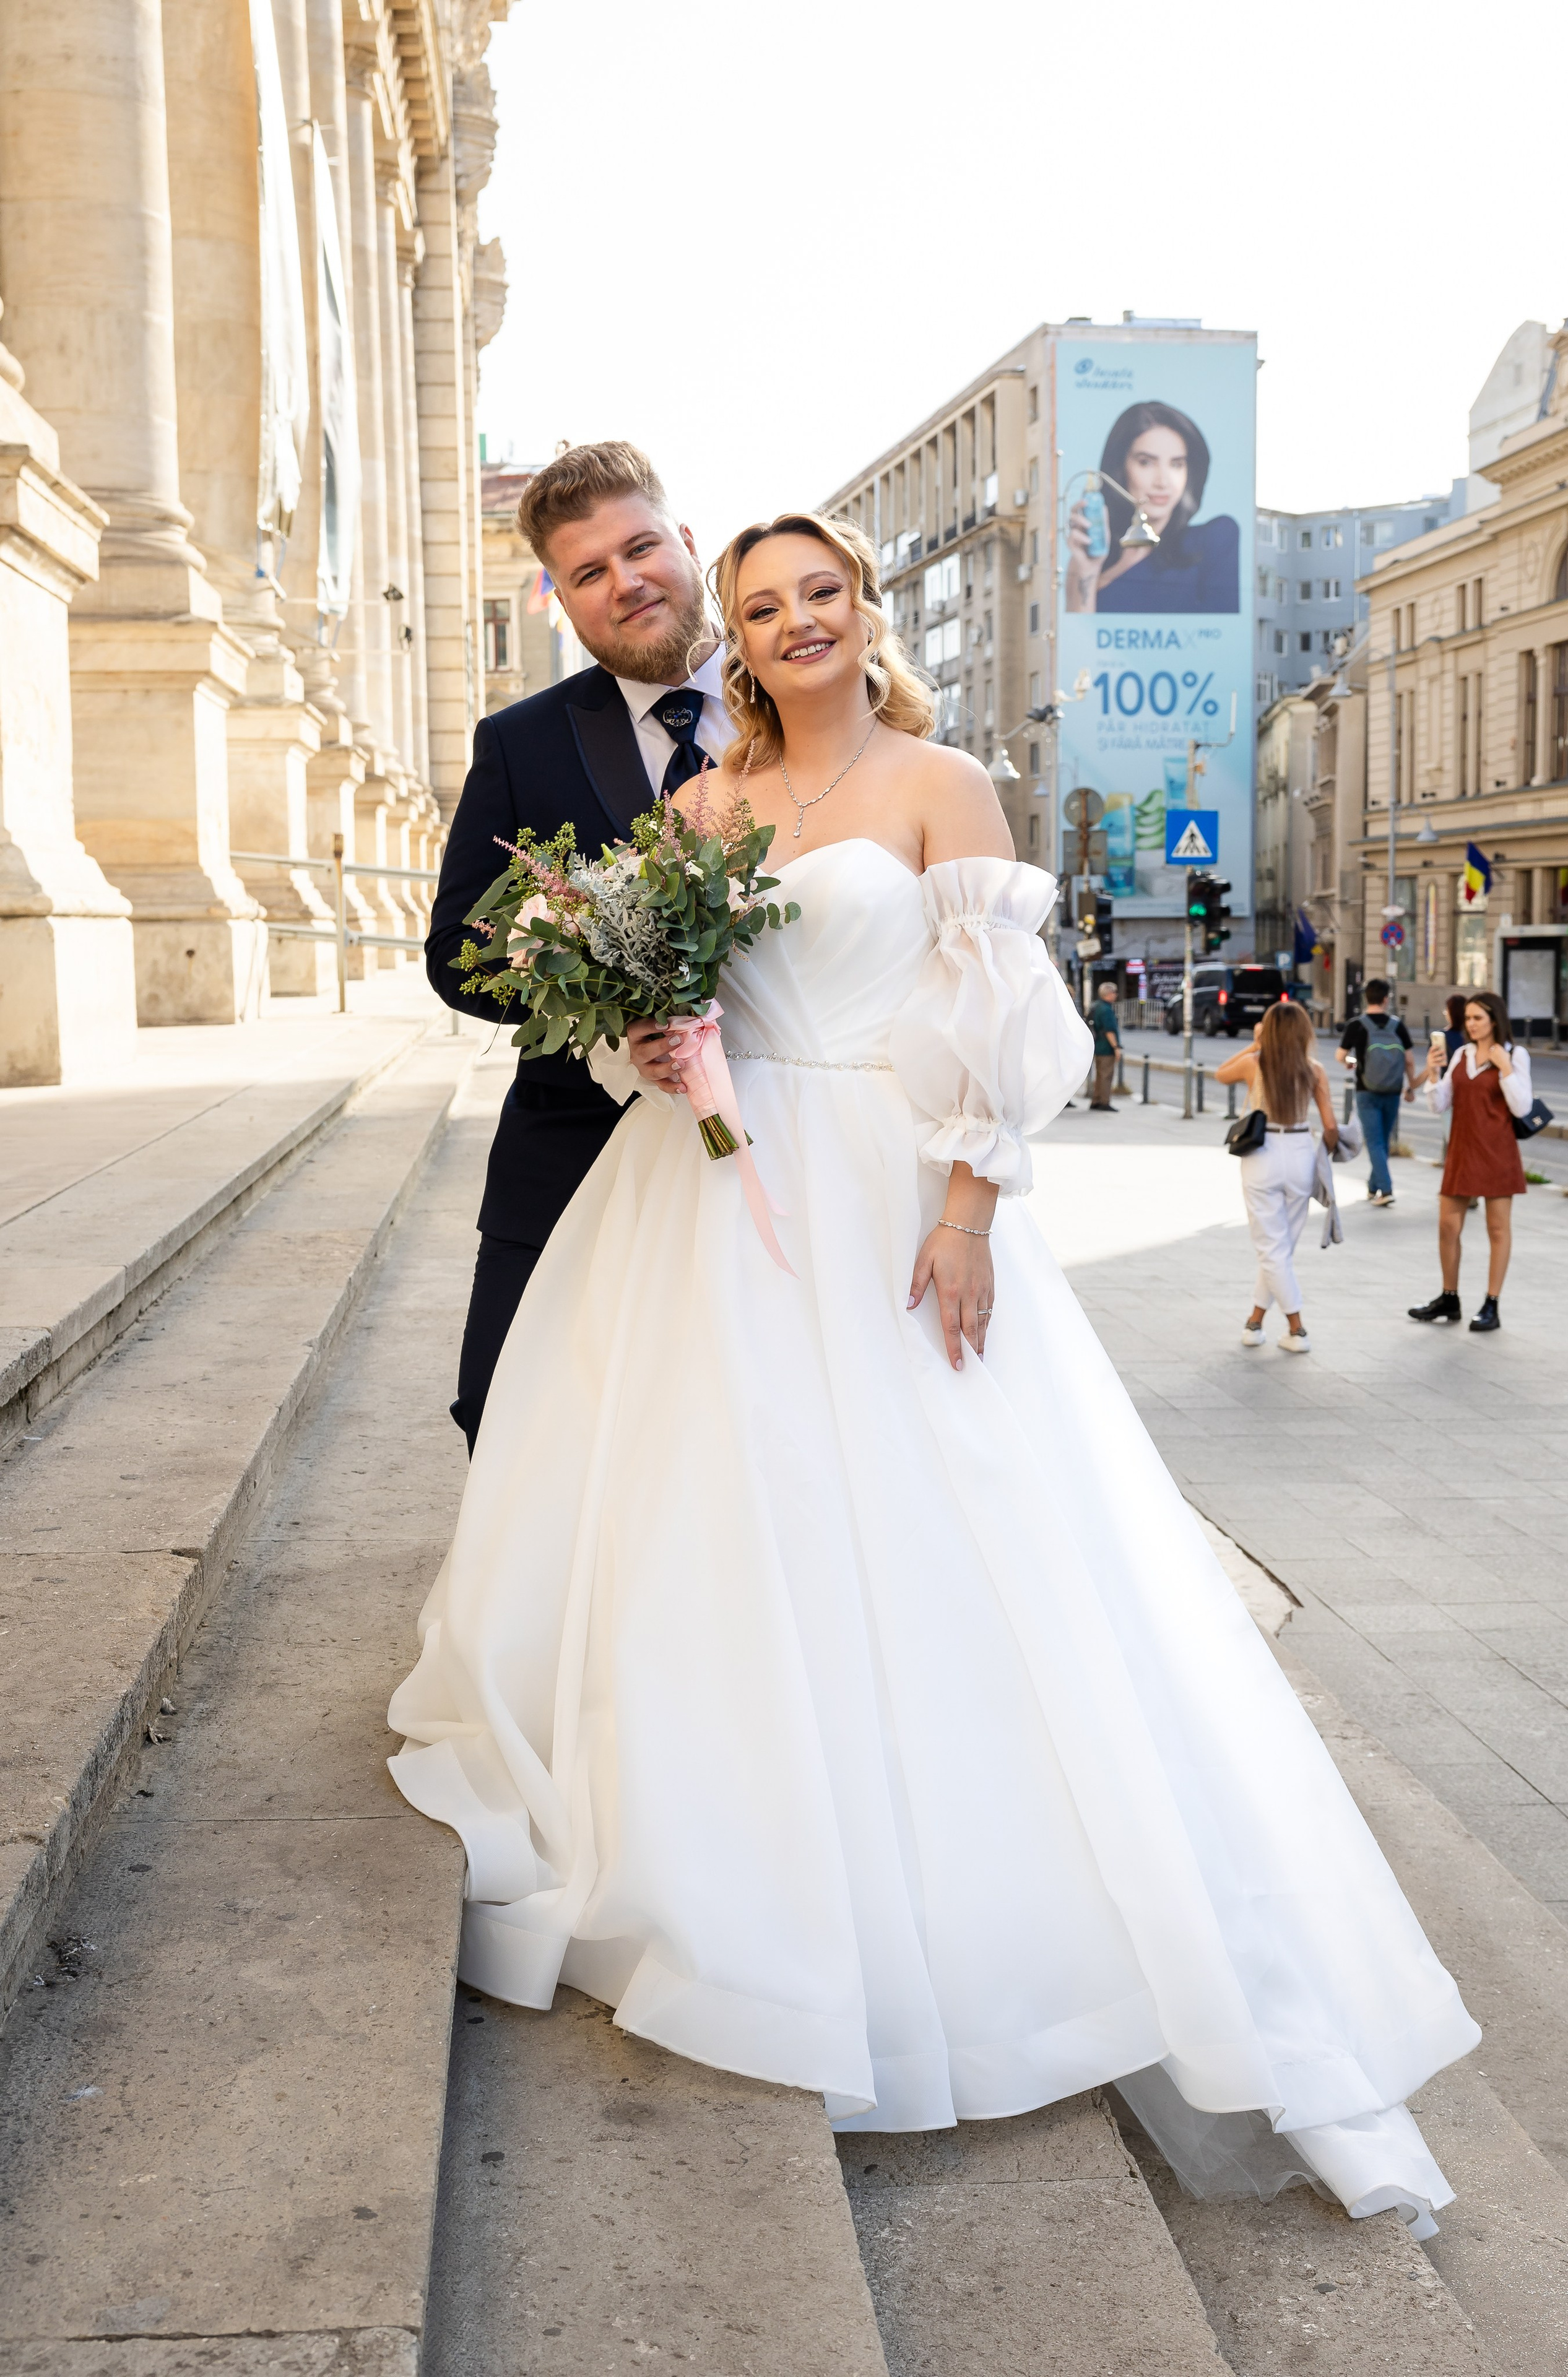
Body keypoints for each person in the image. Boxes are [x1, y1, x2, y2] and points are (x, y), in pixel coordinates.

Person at [389, 509, 1476, 2239]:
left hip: (899, 1192)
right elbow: (647, 1011)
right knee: (725, 1516)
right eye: (764, 606)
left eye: (822, 593)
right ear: (732, 640)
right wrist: (655, 1042)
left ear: (865, 610)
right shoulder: (698, 811)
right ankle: (741, 1838)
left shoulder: (943, 783)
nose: (797, 621)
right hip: (713, 1203)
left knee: (941, 1513)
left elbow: (1003, 1026)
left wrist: (968, 1215)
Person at [425, 443, 733, 1452]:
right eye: (588, 573)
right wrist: (603, 1002)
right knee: (511, 1418)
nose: (625, 582)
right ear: (559, 600)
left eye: (640, 548)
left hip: (778, 1150)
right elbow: (457, 948)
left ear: (686, 545)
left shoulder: (810, 711)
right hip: (568, 1149)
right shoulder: (518, 744)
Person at [1216, 1004, 1340, 1353]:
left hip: (1262, 1153)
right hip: (1300, 1150)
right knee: (1280, 1249)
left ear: (1267, 1031)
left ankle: (1297, 1329)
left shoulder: (1254, 1063)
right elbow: (1331, 1126)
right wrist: (1327, 1153)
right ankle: (1254, 1322)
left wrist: (1255, 1045)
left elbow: (1220, 1074)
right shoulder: (1314, 1070)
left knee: (1273, 1249)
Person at [1410, 988, 1532, 1333]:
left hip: (1497, 1152)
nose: (1472, 1024)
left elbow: (1522, 1107)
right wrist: (1434, 1073)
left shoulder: (1515, 1055)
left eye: (1479, 1018)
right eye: (1469, 1019)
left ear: (1495, 1020)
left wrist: (1505, 1067)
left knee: (1497, 1230)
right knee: (1448, 1226)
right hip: (1462, 1150)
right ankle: (1450, 1298)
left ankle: (1492, 1304)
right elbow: (1438, 1105)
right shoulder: (1462, 1054)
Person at [1065, 400, 1239, 615]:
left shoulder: (1215, 539)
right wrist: (1088, 569)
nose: (1163, 482)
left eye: (1176, 464)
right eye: (1146, 462)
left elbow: (1226, 638)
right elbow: (1078, 643)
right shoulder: (1089, 558)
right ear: (1120, 467)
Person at [1336, 980, 1418, 1206]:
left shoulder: (1356, 1025)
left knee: (1374, 1142)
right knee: (1381, 1141)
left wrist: (1352, 1061)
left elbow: (1340, 1056)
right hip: (1392, 1091)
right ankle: (1373, 1187)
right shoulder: (1398, 1026)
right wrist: (1411, 1087)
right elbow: (1410, 1060)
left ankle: (1386, 1189)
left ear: (1366, 999)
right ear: (1386, 999)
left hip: (1366, 1091)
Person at [1088, 977, 1122, 1109]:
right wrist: (1116, 1047)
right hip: (1106, 1047)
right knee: (1106, 1075)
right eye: (1115, 992)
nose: (1116, 995)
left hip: (1097, 1045)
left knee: (1100, 1075)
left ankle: (1096, 1100)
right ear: (1109, 994)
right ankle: (1104, 1102)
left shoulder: (1096, 1006)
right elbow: (1109, 1031)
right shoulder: (1106, 1009)